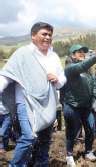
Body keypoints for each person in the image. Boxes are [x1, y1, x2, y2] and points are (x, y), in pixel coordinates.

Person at [0, 22, 66, 166]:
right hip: (25, 103)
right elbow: (6, 75)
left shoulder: (53, 56)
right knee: (29, 137)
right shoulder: (23, 53)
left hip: (48, 104)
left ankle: (40, 164)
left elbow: (62, 78)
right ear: (33, 36)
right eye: (44, 34)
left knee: (44, 140)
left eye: (50, 35)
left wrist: (57, 79)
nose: (47, 37)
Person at [61, 44, 96, 165]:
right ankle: (69, 155)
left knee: (91, 129)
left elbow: (94, 85)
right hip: (72, 106)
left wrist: (94, 97)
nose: (82, 53)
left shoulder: (89, 71)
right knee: (72, 131)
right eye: (78, 51)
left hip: (86, 106)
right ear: (72, 55)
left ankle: (88, 151)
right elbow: (81, 66)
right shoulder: (70, 68)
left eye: (83, 52)